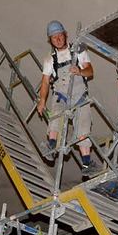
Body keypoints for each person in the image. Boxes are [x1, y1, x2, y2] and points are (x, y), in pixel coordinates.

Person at [37, 20, 100, 179]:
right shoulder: (49, 59)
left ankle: (87, 163)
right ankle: (52, 145)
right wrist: (42, 101)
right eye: (54, 37)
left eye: (59, 36)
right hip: (62, 94)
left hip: (79, 96)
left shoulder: (78, 50)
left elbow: (90, 71)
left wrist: (79, 70)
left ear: (65, 35)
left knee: (83, 128)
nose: (57, 39)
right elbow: (45, 81)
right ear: (50, 40)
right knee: (56, 114)